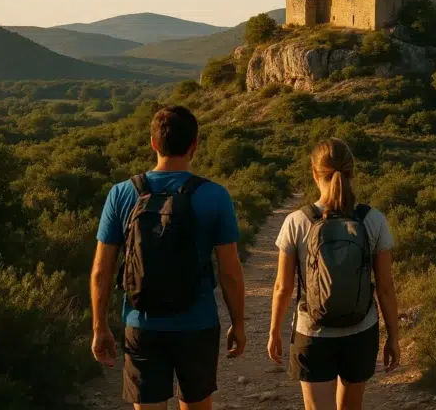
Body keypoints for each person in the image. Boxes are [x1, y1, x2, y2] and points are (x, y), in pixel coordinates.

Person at [89, 105, 246, 410]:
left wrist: (99, 327)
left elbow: (101, 271)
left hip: (141, 324)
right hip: (197, 324)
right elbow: (230, 272)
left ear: (153, 143)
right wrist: (238, 323)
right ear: (194, 145)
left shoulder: (121, 193)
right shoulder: (215, 196)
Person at [268, 138, 401, 410]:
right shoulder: (373, 220)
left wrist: (274, 332)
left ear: (314, 173)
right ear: (352, 172)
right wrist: (393, 338)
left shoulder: (297, 221)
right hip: (361, 331)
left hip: (312, 334)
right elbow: (385, 288)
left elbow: (283, 286)